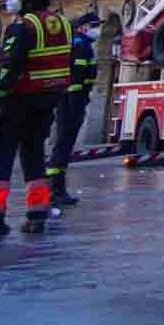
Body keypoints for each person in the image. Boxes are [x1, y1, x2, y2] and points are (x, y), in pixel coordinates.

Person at [0, 0, 73, 241]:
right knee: (33, 156)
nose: (11, 0)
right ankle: (37, 214)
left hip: (16, 102)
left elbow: (7, 71)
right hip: (46, 102)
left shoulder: (22, 27)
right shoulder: (64, 25)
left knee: (2, 156)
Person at [47, 10, 101, 207]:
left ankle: (55, 187)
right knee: (63, 144)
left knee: (63, 144)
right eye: (94, 26)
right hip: (72, 100)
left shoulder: (81, 44)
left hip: (71, 99)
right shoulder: (80, 45)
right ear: (83, 27)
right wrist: (76, 104)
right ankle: (55, 189)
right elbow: (77, 77)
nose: (97, 30)